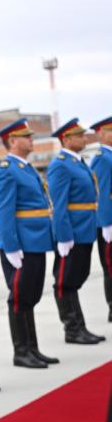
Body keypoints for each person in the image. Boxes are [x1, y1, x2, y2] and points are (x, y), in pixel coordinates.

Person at [0, 118, 60, 368]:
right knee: (19, 298)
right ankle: (21, 352)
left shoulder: (26, 168)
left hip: (36, 242)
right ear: (12, 141)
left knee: (30, 296)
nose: (32, 139)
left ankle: (32, 348)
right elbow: (3, 211)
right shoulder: (7, 171)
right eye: (26, 136)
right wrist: (11, 246)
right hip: (21, 244)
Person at [46, 118, 105, 344]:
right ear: (66, 139)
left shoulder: (78, 162)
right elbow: (58, 203)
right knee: (65, 281)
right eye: (79, 135)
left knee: (77, 277)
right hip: (71, 232)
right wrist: (63, 235)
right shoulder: (60, 164)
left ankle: (80, 326)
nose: (84, 138)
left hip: (84, 229)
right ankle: (72, 328)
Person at [90, 116, 112, 323]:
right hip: (109, 222)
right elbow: (102, 192)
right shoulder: (102, 158)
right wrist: (106, 223)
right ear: (101, 134)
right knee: (110, 266)